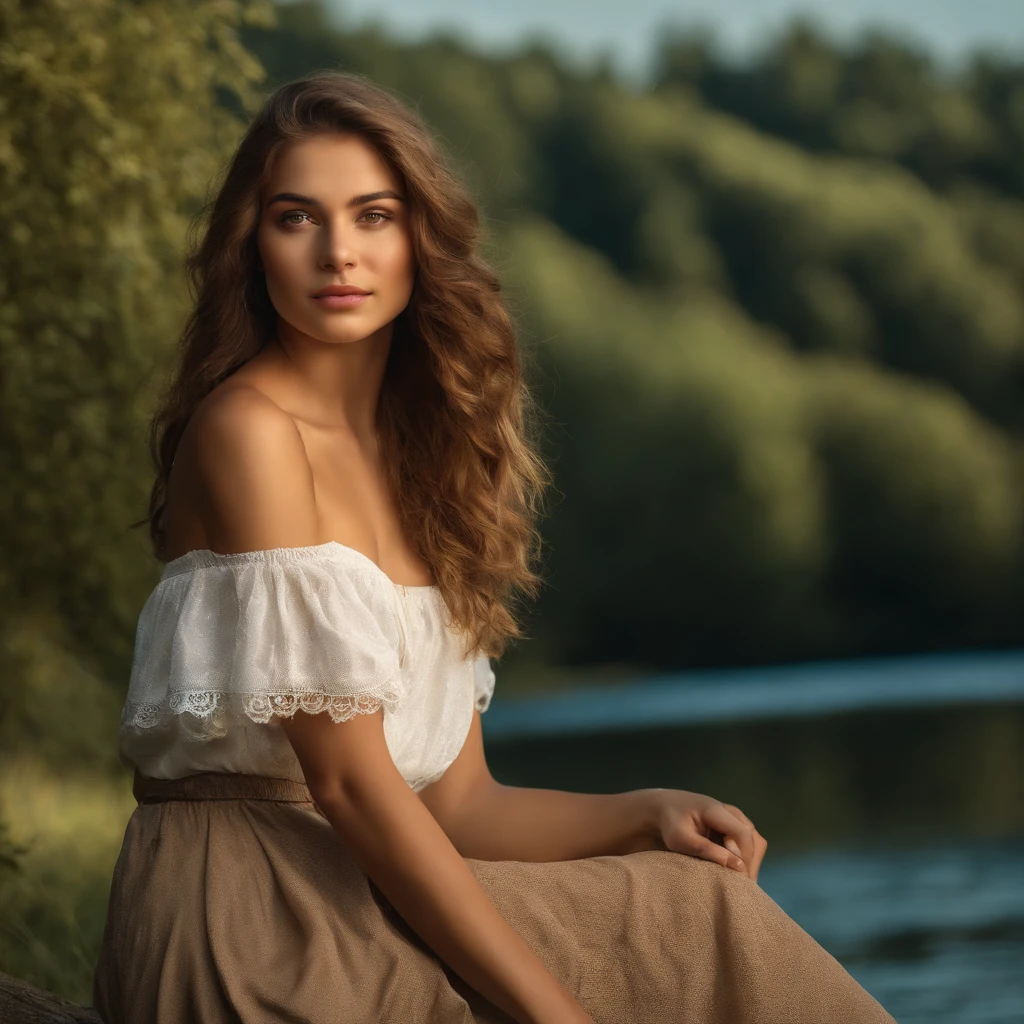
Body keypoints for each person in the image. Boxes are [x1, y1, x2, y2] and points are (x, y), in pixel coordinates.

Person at [91, 70, 897, 1024]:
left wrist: (643, 809)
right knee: (648, 952)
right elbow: (350, 784)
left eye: (375, 216)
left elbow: (459, 805)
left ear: (419, 241)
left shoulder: (421, 463)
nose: (339, 253)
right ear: (252, 246)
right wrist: (555, 1017)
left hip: (364, 880)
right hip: (249, 907)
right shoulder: (249, 432)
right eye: (298, 218)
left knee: (700, 904)